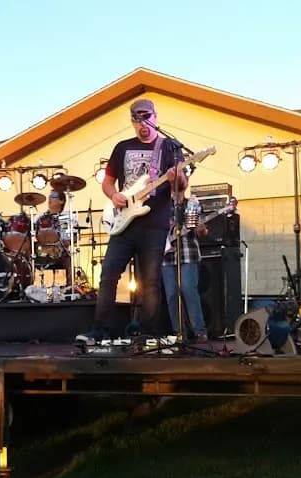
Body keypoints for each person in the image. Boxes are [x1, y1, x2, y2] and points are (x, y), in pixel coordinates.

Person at [76, 99, 187, 344]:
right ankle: (99, 329)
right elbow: (108, 180)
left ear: (155, 117)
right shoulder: (122, 147)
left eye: (146, 117)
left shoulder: (169, 147)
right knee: (108, 276)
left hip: (154, 224)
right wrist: (113, 194)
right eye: (136, 119)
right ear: (132, 122)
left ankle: (146, 333)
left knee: (150, 282)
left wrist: (175, 176)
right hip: (124, 221)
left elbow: (181, 187)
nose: (141, 123)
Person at [162, 193, 209, 343]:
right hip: (167, 255)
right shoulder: (162, 206)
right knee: (171, 294)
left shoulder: (192, 204)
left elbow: (202, 231)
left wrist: (201, 229)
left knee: (188, 289)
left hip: (189, 252)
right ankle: (178, 333)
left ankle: (199, 331)